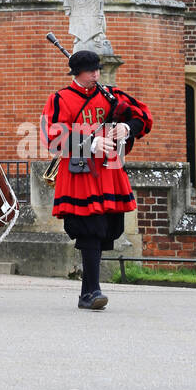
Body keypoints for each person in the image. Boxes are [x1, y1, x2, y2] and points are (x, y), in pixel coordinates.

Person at [42, 49, 152, 311]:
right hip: (80, 173)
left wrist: (128, 128)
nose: (96, 74)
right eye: (90, 70)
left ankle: (86, 293)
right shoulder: (60, 99)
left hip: (109, 172)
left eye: (97, 69)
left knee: (106, 230)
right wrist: (89, 142)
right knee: (89, 229)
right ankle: (93, 291)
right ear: (77, 73)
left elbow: (143, 116)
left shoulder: (111, 95)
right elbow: (52, 138)